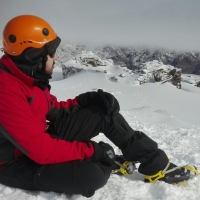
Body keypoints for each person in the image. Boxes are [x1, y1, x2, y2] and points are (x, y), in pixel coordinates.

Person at [0, 15, 195, 198]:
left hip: (35, 145)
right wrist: (93, 151)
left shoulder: (29, 79)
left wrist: (86, 100)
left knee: (103, 113)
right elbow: (42, 150)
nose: (56, 58)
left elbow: (53, 109)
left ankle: (156, 164)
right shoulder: (5, 90)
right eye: (51, 53)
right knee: (91, 176)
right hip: (14, 164)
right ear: (33, 56)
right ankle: (106, 159)